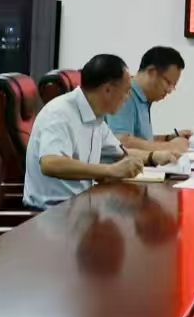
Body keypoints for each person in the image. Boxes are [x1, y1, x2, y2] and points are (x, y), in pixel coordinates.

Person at [24, 53, 160, 208]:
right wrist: (110, 170)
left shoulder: (96, 116)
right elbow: (51, 163)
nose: (128, 96)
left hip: (82, 206)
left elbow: (120, 152)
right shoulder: (59, 113)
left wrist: (155, 156)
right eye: (127, 90)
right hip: (52, 212)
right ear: (107, 89)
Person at [106, 45, 192, 155]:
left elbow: (141, 140)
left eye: (172, 86)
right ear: (151, 72)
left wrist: (169, 138)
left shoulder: (143, 99)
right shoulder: (125, 94)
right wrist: (169, 146)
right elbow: (121, 142)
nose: (169, 90)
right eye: (168, 83)